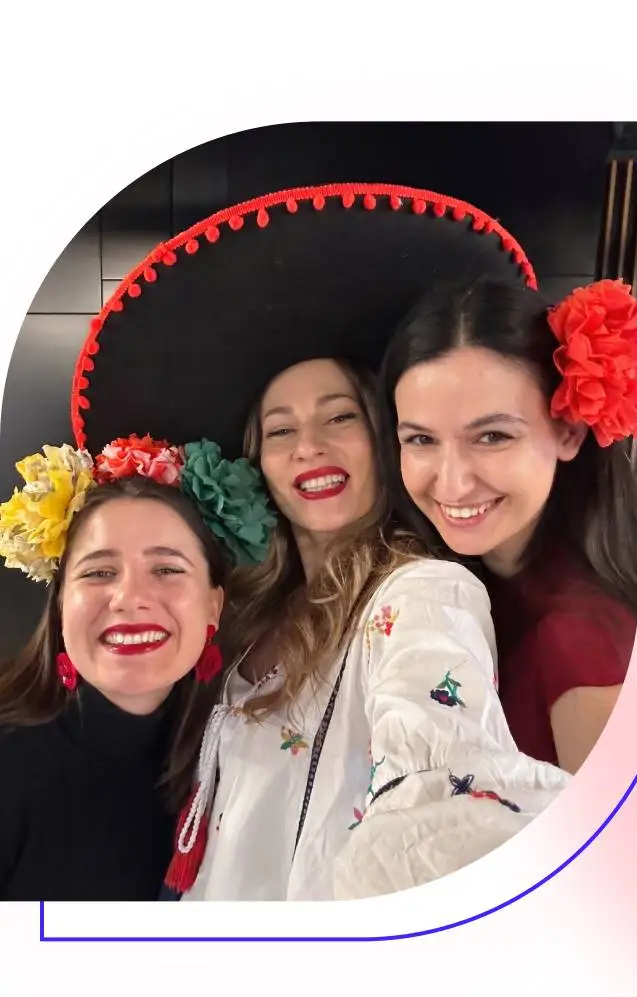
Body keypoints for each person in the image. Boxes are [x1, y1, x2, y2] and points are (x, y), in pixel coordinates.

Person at [70, 182, 573, 900]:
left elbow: (444, 777)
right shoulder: (243, 620)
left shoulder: (423, 594)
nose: (308, 446)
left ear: (385, 439)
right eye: (280, 430)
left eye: (339, 418)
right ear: (258, 464)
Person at [381, 275, 637, 772]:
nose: (452, 484)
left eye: (493, 436)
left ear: (568, 432)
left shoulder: (583, 642)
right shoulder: (445, 585)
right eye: (420, 440)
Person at [0, 447, 230, 899]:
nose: (129, 597)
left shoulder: (238, 761)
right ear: (61, 605)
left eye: (166, 569)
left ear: (213, 607)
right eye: (100, 571)